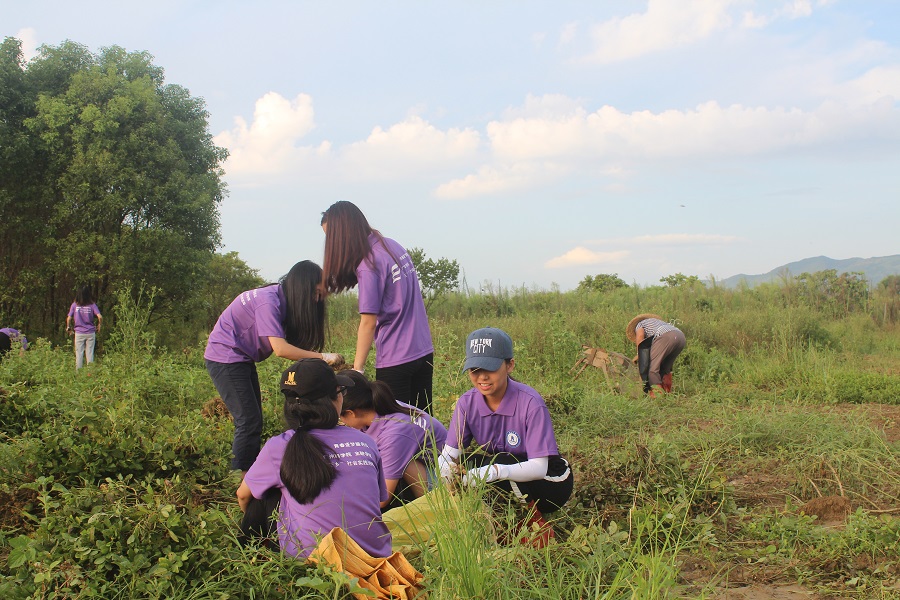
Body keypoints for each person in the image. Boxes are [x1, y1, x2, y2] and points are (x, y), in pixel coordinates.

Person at [236, 358, 392, 559]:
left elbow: (243, 496)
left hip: (314, 563)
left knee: (265, 495)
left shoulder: (279, 446)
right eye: (341, 392)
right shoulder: (365, 441)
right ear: (334, 399)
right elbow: (380, 498)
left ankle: (249, 558)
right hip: (374, 556)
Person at [438, 327, 573, 547]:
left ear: (509, 365)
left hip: (550, 481)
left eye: (490, 369)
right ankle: (497, 525)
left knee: (498, 464)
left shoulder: (530, 402)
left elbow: (539, 467)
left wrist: (494, 472)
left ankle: (538, 530)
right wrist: (447, 476)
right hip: (509, 473)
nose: (482, 377)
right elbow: (449, 456)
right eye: (475, 369)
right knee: (466, 464)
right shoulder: (467, 403)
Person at [205, 260, 344, 473]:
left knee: (253, 419)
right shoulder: (267, 302)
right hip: (225, 357)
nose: (317, 300)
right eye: (316, 293)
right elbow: (280, 349)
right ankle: (238, 478)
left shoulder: (280, 297)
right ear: (303, 287)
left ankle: (248, 471)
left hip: (241, 358)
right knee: (249, 421)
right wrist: (324, 357)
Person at [321, 201, 435, 414]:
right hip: (423, 351)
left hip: (396, 359)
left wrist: (358, 369)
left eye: (331, 237)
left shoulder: (368, 265)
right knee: (424, 421)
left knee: (395, 426)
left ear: (344, 233)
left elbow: (368, 322)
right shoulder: (393, 246)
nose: (330, 245)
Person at [339, 370, 448, 509]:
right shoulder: (380, 404)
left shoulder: (394, 435)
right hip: (424, 463)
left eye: (341, 418)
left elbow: (382, 499)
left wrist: (345, 509)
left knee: (405, 462)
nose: (341, 422)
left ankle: (432, 508)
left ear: (351, 413)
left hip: (443, 479)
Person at [626, 313, 686, 395]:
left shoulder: (639, 324)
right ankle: (668, 392)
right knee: (665, 368)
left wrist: (639, 355)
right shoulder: (657, 323)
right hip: (680, 337)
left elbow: (640, 340)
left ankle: (658, 396)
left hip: (666, 337)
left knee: (652, 368)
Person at [66, 286, 103, 370]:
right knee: (89, 353)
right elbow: (100, 317)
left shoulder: (74, 305)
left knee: (79, 354)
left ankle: (78, 374)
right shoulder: (92, 305)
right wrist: (99, 325)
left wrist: (68, 327)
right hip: (90, 332)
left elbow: (69, 318)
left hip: (79, 332)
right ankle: (90, 373)